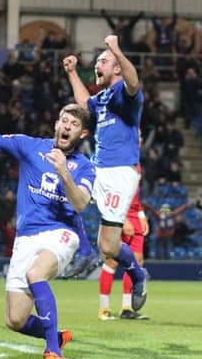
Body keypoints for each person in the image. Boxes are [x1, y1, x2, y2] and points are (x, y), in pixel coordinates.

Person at [0, 83, 95, 359]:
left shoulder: (84, 166)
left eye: (74, 124)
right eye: (64, 120)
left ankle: (53, 354)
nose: (67, 126)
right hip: (26, 237)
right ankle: (56, 336)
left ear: (82, 133)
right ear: (56, 123)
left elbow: (80, 203)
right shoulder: (30, 146)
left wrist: (64, 173)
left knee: (35, 273)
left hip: (60, 233)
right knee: (15, 319)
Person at [63, 34, 147, 311]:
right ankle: (84, 252)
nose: (97, 64)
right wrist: (72, 73)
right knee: (63, 187)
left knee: (110, 248)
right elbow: (85, 103)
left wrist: (116, 48)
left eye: (103, 60)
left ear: (117, 68)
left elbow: (134, 81)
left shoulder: (126, 93)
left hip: (121, 173)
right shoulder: (103, 98)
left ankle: (137, 275)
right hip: (98, 167)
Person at [98, 167, 150, 321]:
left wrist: (141, 215)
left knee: (136, 260)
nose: (139, 142)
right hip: (118, 212)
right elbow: (109, 190)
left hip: (134, 213)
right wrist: (123, 218)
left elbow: (135, 194)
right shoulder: (117, 161)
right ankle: (104, 308)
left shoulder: (137, 163)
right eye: (137, 140)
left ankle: (126, 308)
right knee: (112, 260)